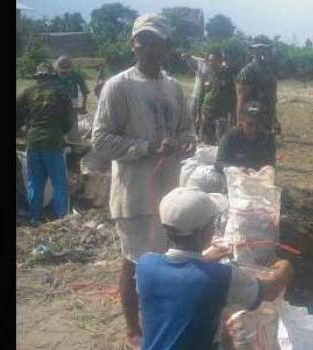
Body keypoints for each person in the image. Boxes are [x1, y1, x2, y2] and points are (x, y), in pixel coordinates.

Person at [90, 13, 196, 350]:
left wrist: (187, 141)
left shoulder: (174, 87)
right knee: (135, 262)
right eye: (143, 40)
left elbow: (187, 129)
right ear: (133, 44)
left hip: (169, 195)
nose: (150, 48)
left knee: (164, 262)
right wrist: (146, 147)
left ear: (167, 47)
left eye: (157, 42)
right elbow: (100, 140)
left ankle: (159, 323)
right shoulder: (119, 86)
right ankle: (134, 331)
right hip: (134, 193)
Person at [137, 187, 293, 350]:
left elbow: (180, 282)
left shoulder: (145, 265)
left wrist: (203, 260)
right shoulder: (220, 276)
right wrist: (285, 266)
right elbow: (270, 291)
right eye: (213, 222)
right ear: (204, 231)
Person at [16, 63, 73, 226]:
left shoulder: (28, 92)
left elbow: (18, 115)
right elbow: (69, 120)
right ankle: (61, 218)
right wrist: (60, 131)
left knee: (35, 181)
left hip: (33, 141)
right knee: (58, 182)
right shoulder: (62, 93)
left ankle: (34, 217)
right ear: (52, 77)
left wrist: (22, 128)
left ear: (38, 77)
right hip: (53, 141)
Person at [215, 101, 276, 173]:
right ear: (241, 121)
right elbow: (219, 164)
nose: (254, 129)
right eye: (249, 125)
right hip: (234, 178)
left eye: (258, 125)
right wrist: (235, 169)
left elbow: (270, 166)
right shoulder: (230, 137)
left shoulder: (268, 139)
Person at [235, 43, 281, 135]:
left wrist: (275, 120)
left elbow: (272, 100)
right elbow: (241, 99)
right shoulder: (246, 72)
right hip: (251, 118)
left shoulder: (269, 73)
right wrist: (239, 121)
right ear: (253, 53)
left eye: (264, 50)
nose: (262, 53)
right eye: (259, 51)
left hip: (265, 118)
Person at [199, 50, 236, 145]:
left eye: (214, 60)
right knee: (206, 142)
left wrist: (233, 116)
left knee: (221, 142)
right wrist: (198, 114)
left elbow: (233, 96)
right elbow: (201, 95)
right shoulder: (206, 75)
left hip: (221, 115)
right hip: (207, 113)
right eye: (209, 60)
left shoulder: (227, 76)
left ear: (220, 61)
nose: (211, 63)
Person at [55, 55, 90, 144]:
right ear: (57, 66)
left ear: (70, 67)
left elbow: (84, 91)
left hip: (71, 105)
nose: (64, 73)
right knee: (57, 130)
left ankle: (75, 146)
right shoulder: (53, 75)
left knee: (73, 130)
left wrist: (83, 106)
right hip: (56, 104)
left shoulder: (76, 75)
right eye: (62, 71)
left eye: (66, 70)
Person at [181, 52, 212, 138]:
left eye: (209, 58)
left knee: (201, 116)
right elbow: (190, 58)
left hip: (204, 95)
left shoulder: (212, 67)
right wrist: (186, 56)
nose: (207, 59)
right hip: (195, 93)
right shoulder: (200, 61)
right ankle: (192, 133)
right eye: (206, 56)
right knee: (192, 114)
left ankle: (200, 134)